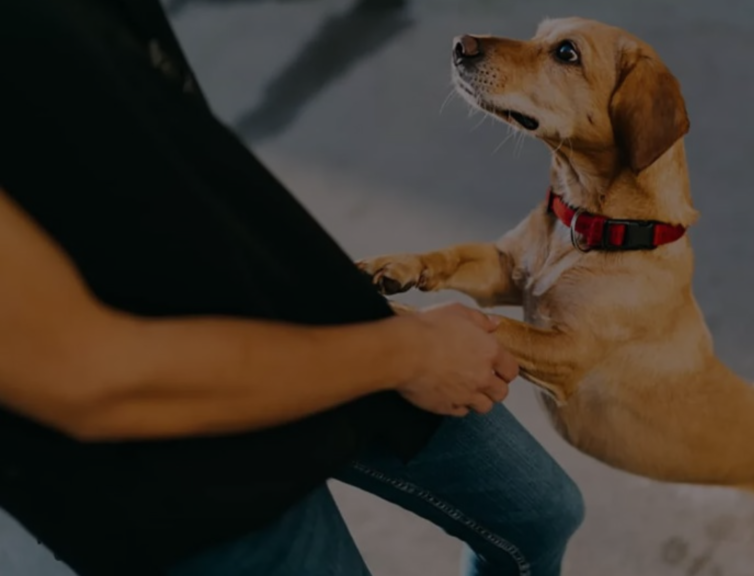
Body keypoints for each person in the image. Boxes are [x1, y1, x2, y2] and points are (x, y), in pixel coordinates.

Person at [0, 0, 585, 575]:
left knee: (539, 515)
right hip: (176, 475)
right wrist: (412, 355)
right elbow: (88, 381)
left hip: (292, 312)